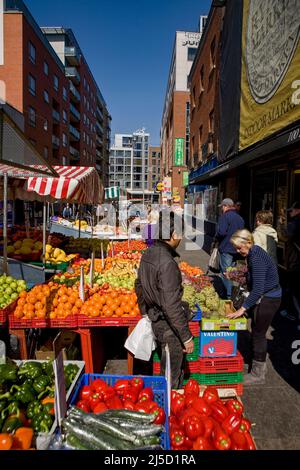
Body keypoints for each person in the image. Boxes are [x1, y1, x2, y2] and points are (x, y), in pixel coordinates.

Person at [135, 210, 194, 389]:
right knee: (171, 375)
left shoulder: (148, 253)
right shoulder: (167, 262)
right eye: (181, 234)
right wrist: (186, 337)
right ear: (174, 234)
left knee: (167, 368)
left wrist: (145, 311)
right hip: (169, 327)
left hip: (157, 320)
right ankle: (169, 410)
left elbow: (138, 285)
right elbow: (171, 305)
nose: (181, 239)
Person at [227, 229, 282, 385]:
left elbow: (258, 289)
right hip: (268, 295)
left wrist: (242, 309)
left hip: (269, 298)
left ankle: (258, 374)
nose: (238, 251)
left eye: (239, 248)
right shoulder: (253, 252)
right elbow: (254, 276)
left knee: (258, 333)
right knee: (257, 329)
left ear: (249, 243)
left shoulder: (256, 257)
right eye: (236, 248)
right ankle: (258, 364)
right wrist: (236, 276)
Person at [215, 198, 245, 299]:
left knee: (226, 273)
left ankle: (228, 295)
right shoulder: (240, 218)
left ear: (225, 206)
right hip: (237, 249)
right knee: (233, 273)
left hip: (226, 248)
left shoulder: (225, 216)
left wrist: (217, 233)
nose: (222, 209)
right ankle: (234, 293)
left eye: (222, 207)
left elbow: (221, 232)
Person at [281, 201, 300, 326]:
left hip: (296, 262)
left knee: (296, 292)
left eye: (292, 210)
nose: (291, 213)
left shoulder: (294, 224)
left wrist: (282, 223)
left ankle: (297, 316)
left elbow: (284, 236)